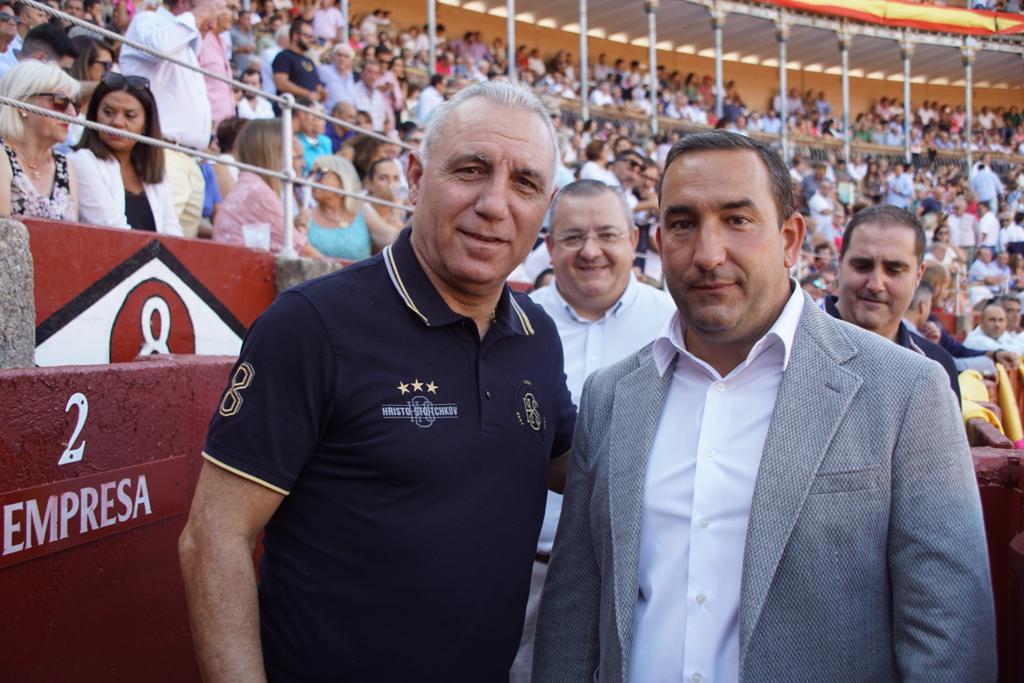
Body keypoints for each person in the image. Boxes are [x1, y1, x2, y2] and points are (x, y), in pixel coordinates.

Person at [533, 131, 995, 682]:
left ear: (791, 239)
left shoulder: (906, 392)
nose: (708, 253)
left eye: (738, 220)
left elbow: (949, 636)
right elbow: (575, 610)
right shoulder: (613, 396)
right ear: (659, 240)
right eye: (683, 224)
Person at [180, 81, 574, 681]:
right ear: (416, 176)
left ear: (545, 205)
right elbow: (214, 538)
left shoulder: (536, 334)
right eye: (471, 170)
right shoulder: (311, 325)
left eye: (524, 183)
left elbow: (578, 465)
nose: (495, 204)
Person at [510, 179, 675, 681]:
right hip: (524, 574)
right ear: (549, 246)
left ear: (634, 241)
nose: (591, 251)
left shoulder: (676, 325)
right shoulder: (513, 324)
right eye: (573, 237)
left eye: (607, 234)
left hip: (637, 576)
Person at [825, 204, 960, 397]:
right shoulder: (791, 345)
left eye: (894, 270)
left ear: (918, 276)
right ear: (840, 264)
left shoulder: (937, 366)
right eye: (862, 266)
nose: (875, 284)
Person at [121, 0, 223, 238]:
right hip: (163, 152)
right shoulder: (147, 21)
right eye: (212, 13)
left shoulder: (185, 42)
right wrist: (198, 15)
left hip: (190, 159)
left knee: (182, 249)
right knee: (156, 238)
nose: (213, 23)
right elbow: (160, 48)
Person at [70, 72, 181, 235]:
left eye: (130, 115)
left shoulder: (151, 169)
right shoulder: (83, 161)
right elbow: (113, 233)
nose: (117, 122)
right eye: (108, 112)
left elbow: (173, 231)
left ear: (146, 124)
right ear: (94, 116)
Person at [212, 118, 310, 255]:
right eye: (291, 152)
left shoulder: (251, 185)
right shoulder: (257, 192)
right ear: (272, 151)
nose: (292, 159)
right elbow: (300, 247)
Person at [0, 59, 79, 221]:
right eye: (60, 102)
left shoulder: (66, 167)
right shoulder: (2, 157)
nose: (72, 113)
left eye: (75, 104)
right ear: (22, 104)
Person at [304, 154, 376, 261]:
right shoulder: (304, 217)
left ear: (342, 180)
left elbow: (392, 237)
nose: (312, 179)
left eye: (320, 173)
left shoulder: (363, 212)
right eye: (311, 173)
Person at [271, 18, 322, 109]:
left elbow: (317, 86)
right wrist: (307, 94)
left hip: (310, 110)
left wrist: (321, 94)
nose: (310, 40)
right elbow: (281, 83)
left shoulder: (309, 60)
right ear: (295, 36)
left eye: (312, 36)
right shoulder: (284, 56)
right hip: (290, 110)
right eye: (307, 36)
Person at [362, 156, 405, 230]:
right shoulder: (362, 207)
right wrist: (397, 208)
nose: (391, 184)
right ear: (369, 183)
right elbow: (391, 238)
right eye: (383, 178)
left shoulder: (400, 206)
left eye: (396, 178)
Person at [317, 42, 355, 112]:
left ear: (351, 61)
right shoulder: (323, 70)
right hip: (328, 115)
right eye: (339, 55)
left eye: (346, 56)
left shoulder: (353, 77)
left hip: (347, 118)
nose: (342, 59)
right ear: (333, 57)